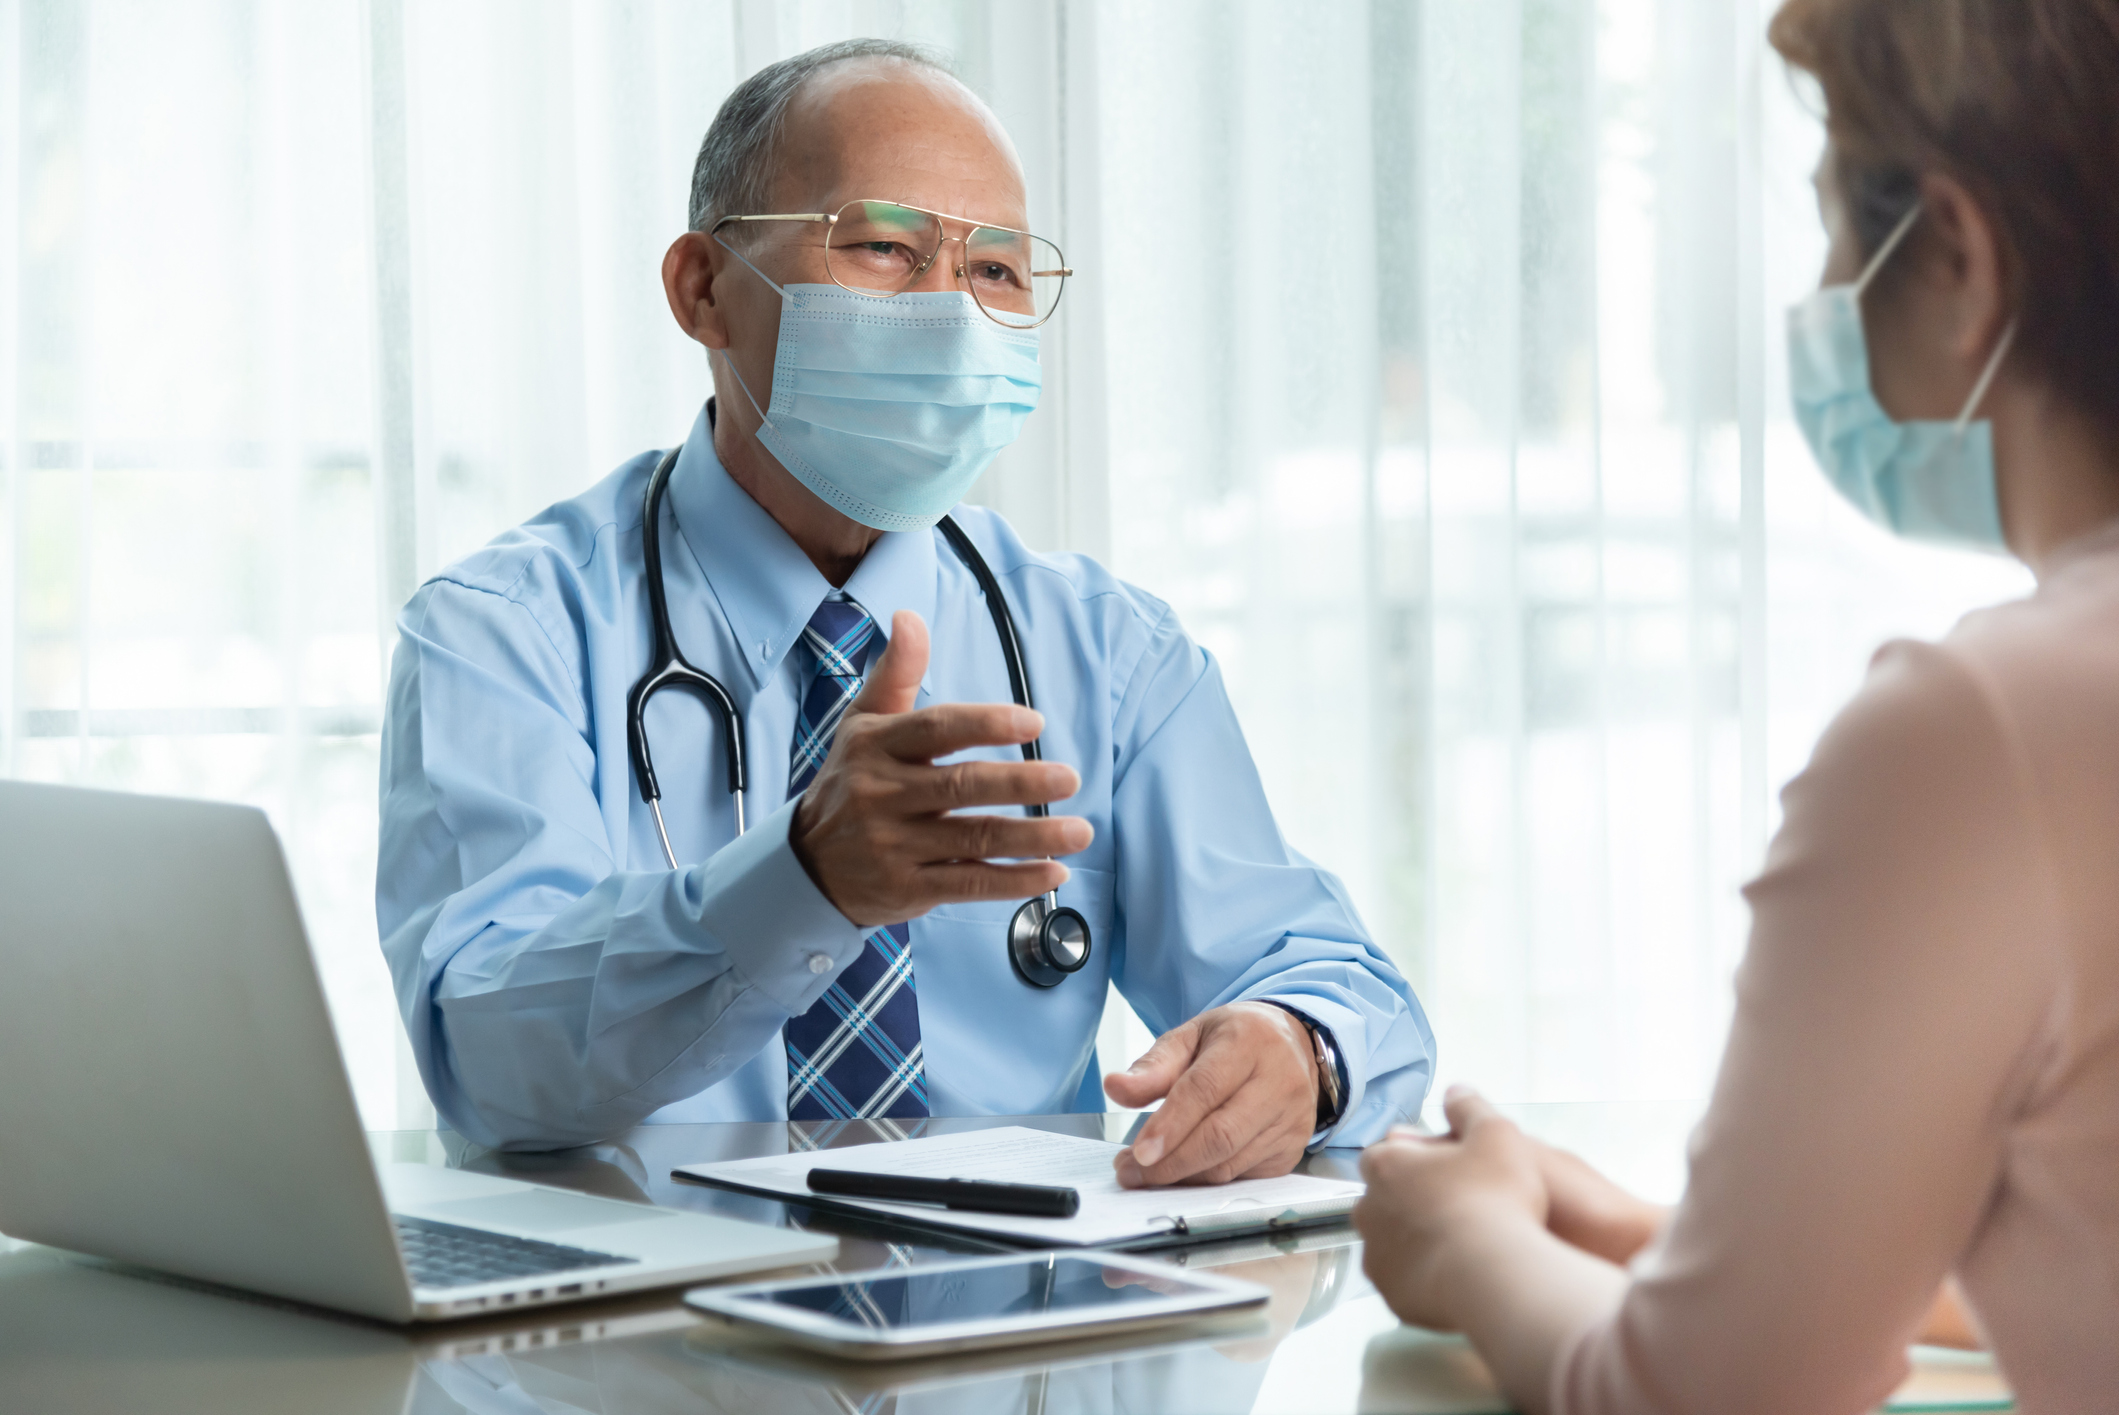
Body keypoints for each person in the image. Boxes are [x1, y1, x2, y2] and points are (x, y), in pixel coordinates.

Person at [376, 39, 1434, 1175]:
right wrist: (799, 882)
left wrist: (1299, 1048)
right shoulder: (505, 632)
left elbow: (1331, 980)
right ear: (703, 290)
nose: (952, 315)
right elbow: (488, 1055)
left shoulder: (1108, 652)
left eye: (996, 271)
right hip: (654, 1282)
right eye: (883, 247)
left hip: (1015, 1279)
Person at [1352, 1, 2119, 1410]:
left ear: (1956, 255)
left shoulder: (1981, 729)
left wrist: (1461, 1238)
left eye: (1833, 227)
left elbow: (1699, 1393)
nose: (1823, 291)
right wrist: (1668, 1237)